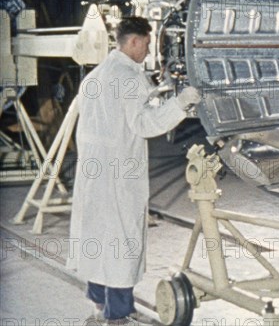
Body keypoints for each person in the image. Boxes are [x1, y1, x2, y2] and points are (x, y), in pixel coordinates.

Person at [67, 17, 201, 324]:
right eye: (146, 44)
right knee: (120, 242)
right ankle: (119, 314)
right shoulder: (128, 77)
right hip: (119, 175)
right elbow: (145, 123)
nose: (147, 52)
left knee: (98, 239)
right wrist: (181, 103)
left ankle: (98, 307)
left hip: (92, 172)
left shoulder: (95, 76)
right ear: (135, 41)